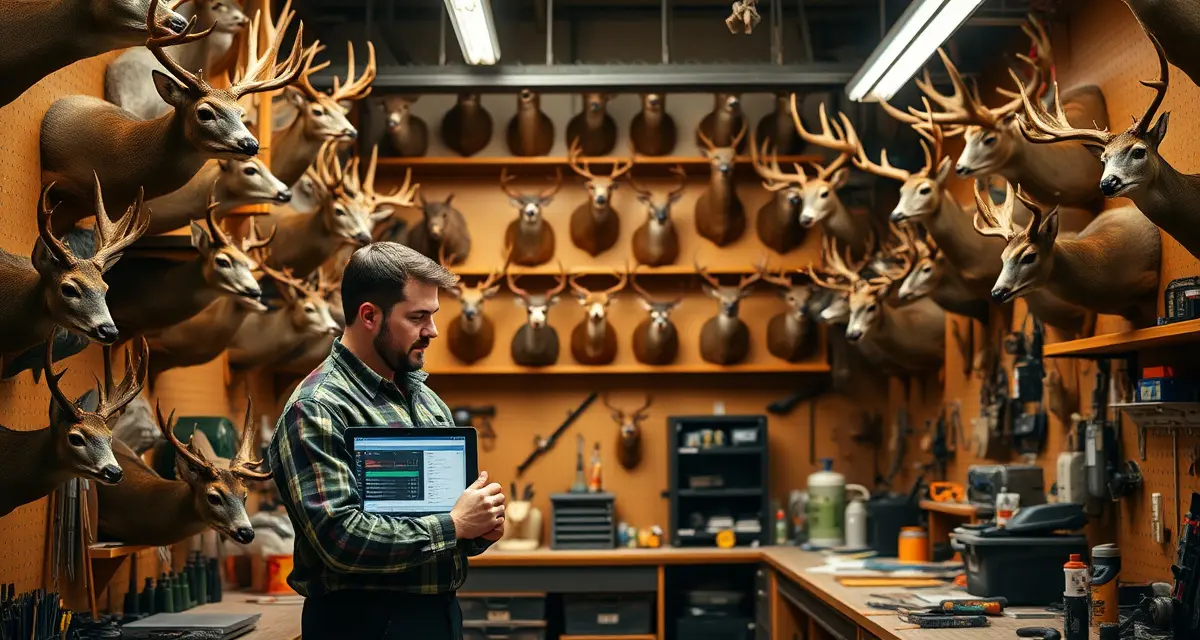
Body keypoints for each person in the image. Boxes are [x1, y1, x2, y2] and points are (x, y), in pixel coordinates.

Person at [268, 242, 506, 640]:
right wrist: (454, 525)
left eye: (432, 316)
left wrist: (478, 528)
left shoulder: (425, 399)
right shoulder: (318, 407)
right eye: (418, 317)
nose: (432, 331)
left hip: (439, 617)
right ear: (369, 315)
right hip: (362, 623)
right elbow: (340, 538)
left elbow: (446, 527)